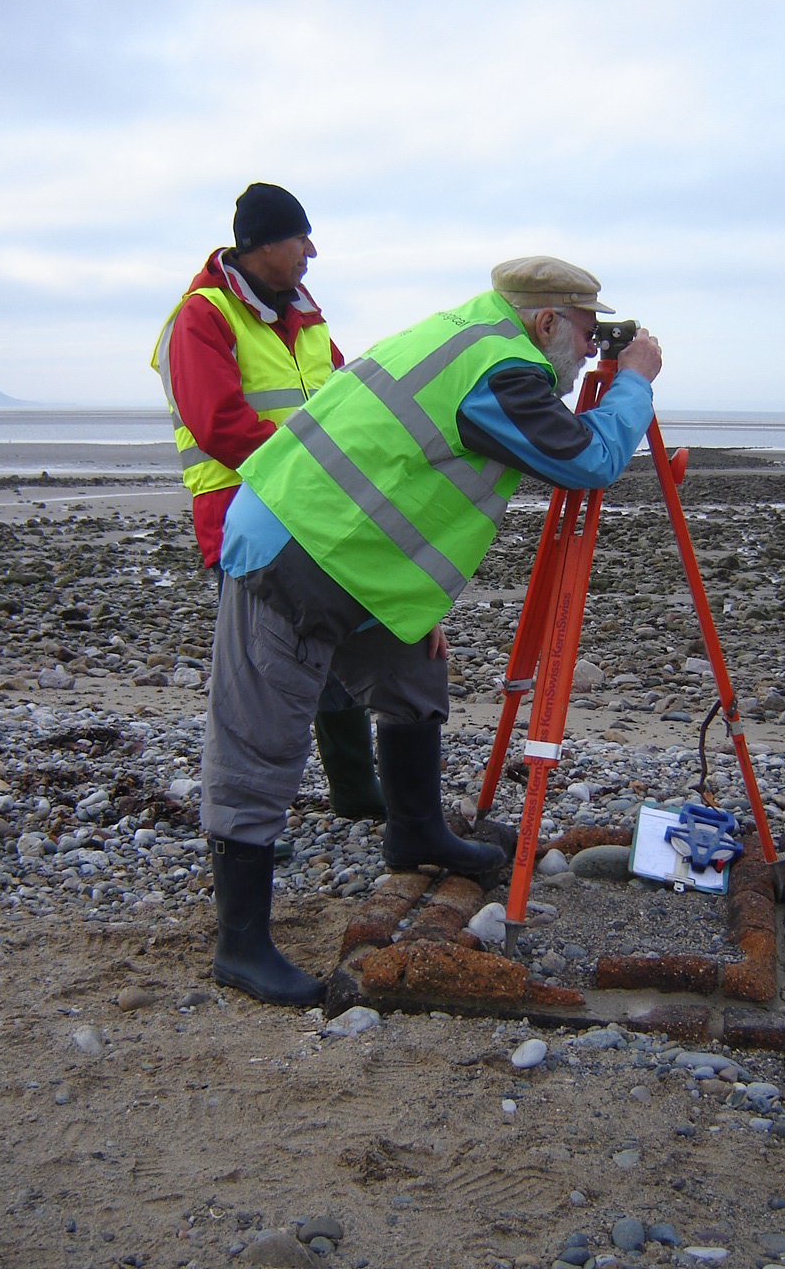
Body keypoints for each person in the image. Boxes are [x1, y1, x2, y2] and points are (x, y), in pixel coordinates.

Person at [200, 255, 663, 1006]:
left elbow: (405, 469)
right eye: (584, 332)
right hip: (292, 545)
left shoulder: (475, 335)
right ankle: (241, 945)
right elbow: (588, 460)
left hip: (352, 552)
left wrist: (413, 602)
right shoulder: (502, 371)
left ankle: (415, 833)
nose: (588, 352)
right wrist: (635, 378)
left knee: (413, 674)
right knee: (260, 741)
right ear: (546, 320)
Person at [150, 183, 384, 821]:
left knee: (331, 655)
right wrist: (322, 471)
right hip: (241, 527)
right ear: (261, 244)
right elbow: (220, 425)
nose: (311, 251)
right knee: (254, 677)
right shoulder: (202, 315)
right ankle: (245, 820)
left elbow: (348, 402)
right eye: (300, 237)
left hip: (318, 519)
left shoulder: (305, 311)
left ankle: (358, 795)